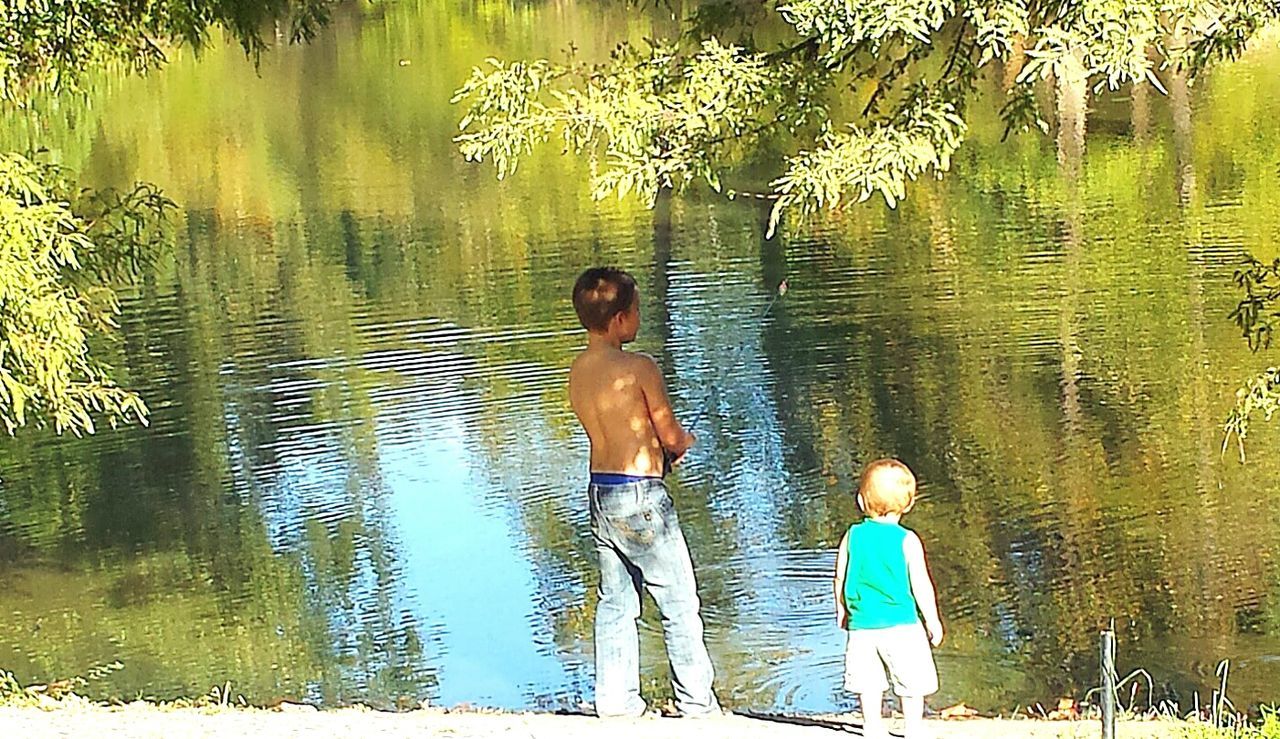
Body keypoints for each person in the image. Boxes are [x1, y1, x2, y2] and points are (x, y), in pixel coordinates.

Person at [567, 266, 719, 718]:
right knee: (678, 602)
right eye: (635, 312)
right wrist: (682, 444)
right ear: (618, 320)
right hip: (642, 499)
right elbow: (669, 434)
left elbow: (613, 432)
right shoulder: (639, 367)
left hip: (601, 494)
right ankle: (696, 703)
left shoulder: (579, 369)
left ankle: (615, 704)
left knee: (615, 603)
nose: (639, 319)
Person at [834, 458, 943, 739]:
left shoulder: (852, 535)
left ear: (860, 501)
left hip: (862, 625)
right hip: (902, 624)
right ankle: (913, 729)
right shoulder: (907, 540)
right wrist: (932, 619)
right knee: (911, 680)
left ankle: (872, 728)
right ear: (908, 504)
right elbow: (921, 584)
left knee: (868, 682)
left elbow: (840, 577)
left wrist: (841, 610)